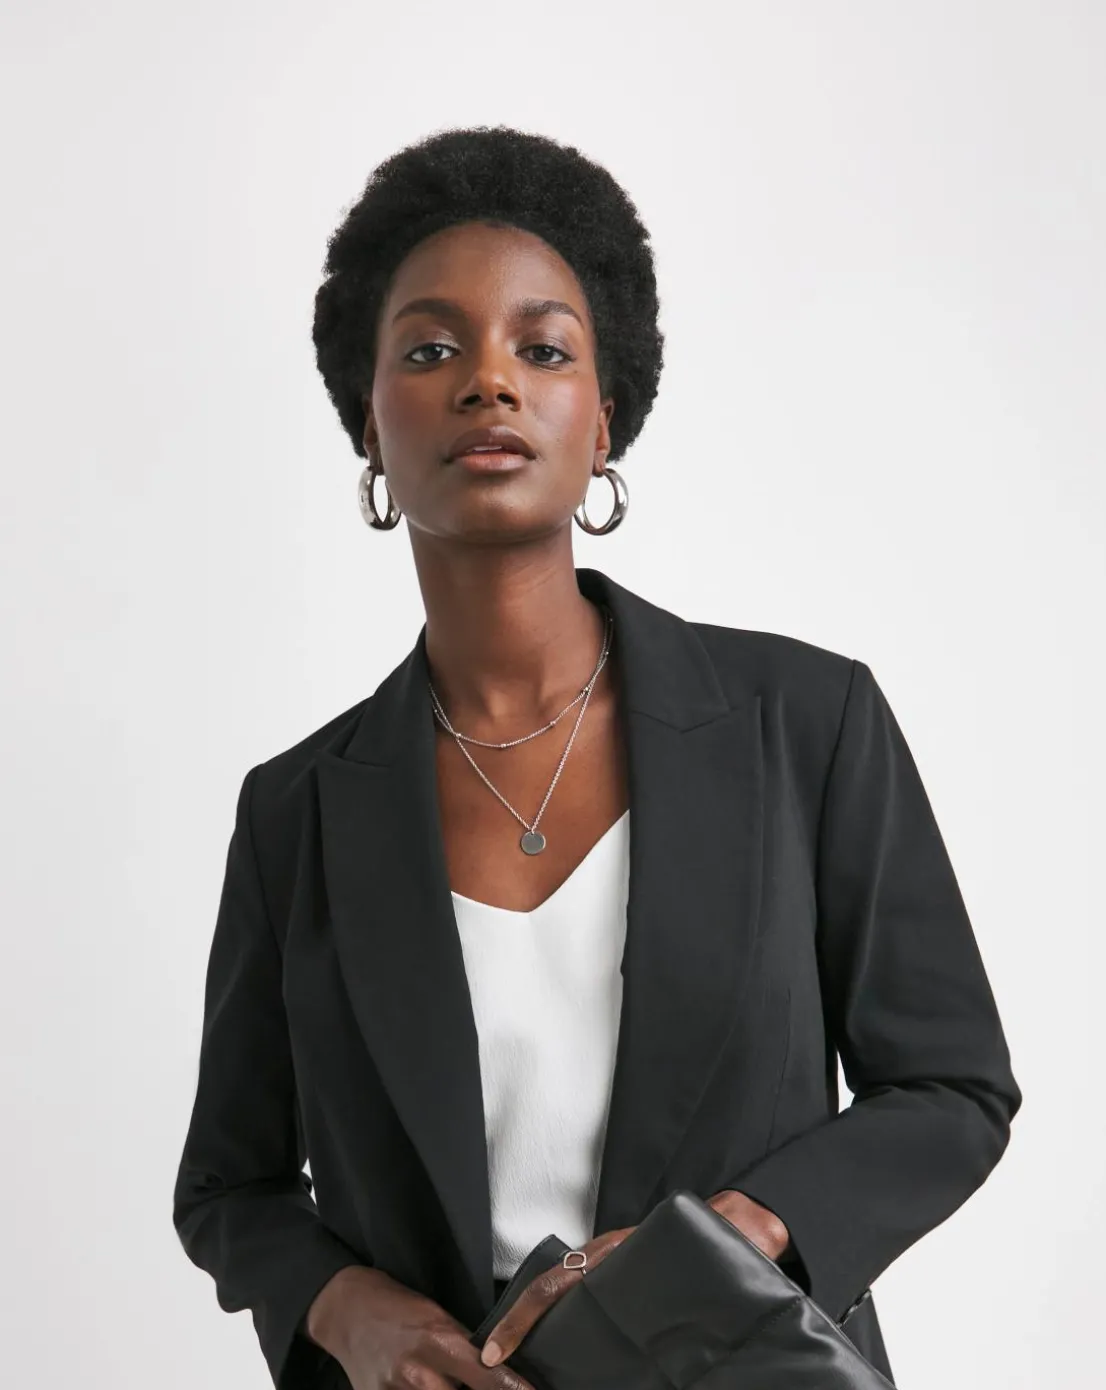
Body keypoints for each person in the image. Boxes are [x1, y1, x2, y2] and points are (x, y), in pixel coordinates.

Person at [172, 125, 1021, 1390]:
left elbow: (950, 1087)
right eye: (430, 349)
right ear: (369, 425)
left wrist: (737, 1237)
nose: (488, 381)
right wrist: (352, 1314)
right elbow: (229, 1185)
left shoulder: (804, 723)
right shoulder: (295, 811)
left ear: (603, 417)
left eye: (542, 348)